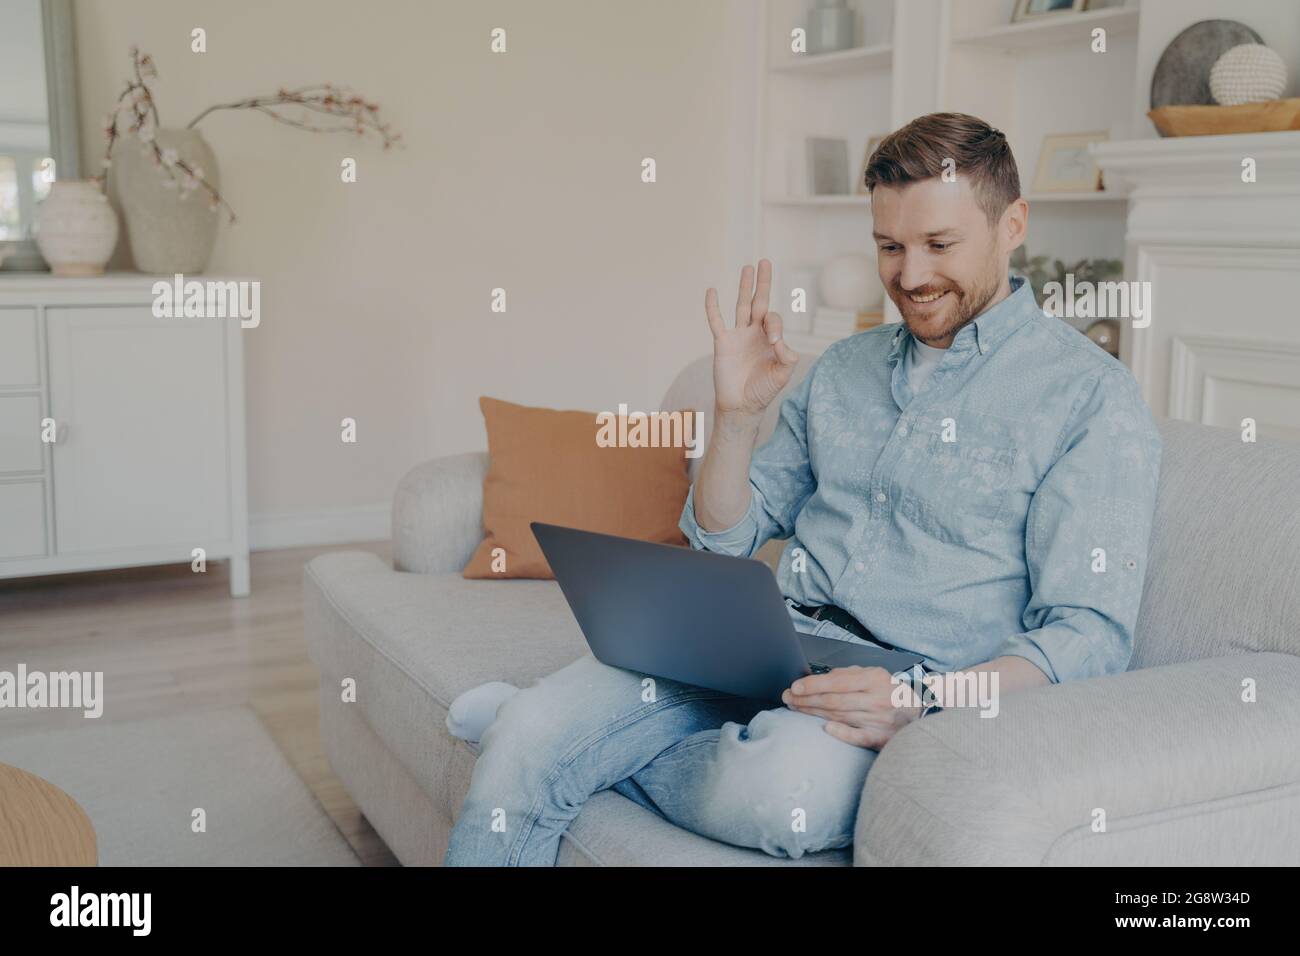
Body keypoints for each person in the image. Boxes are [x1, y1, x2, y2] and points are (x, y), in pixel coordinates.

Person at [444, 112, 1162, 866]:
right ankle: (536, 735)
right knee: (533, 739)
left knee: (783, 798)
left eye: (940, 245)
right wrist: (735, 417)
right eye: (890, 246)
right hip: (756, 637)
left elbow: (1087, 639)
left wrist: (921, 700)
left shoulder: (1090, 400)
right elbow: (725, 536)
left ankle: (544, 737)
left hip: (894, 683)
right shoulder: (845, 369)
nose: (911, 276)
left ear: (1012, 224)